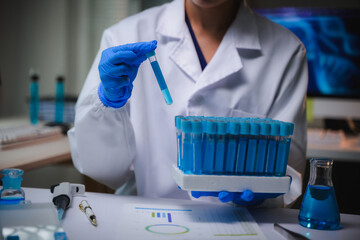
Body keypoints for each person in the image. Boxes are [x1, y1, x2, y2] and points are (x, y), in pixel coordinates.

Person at [68, 0, 308, 207]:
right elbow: (102, 168)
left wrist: (263, 193)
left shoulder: (286, 51)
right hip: (147, 222)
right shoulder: (125, 35)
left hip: (241, 225)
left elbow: (288, 174)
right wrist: (108, 101)